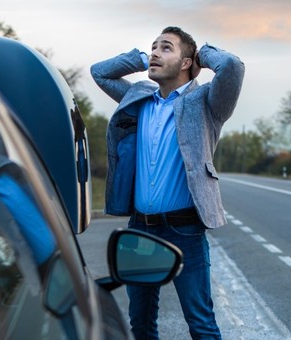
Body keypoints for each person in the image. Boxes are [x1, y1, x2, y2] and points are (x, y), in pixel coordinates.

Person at [91, 26, 244, 339]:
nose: (155, 53)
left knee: (201, 324)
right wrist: (140, 59)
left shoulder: (207, 102)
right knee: (142, 324)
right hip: (140, 228)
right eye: (153, 47)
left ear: (186, 62)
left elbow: (232, 67)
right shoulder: (138, 96)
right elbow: (100, 73)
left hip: (185, 229)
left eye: (166, 48)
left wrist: (202, 54)